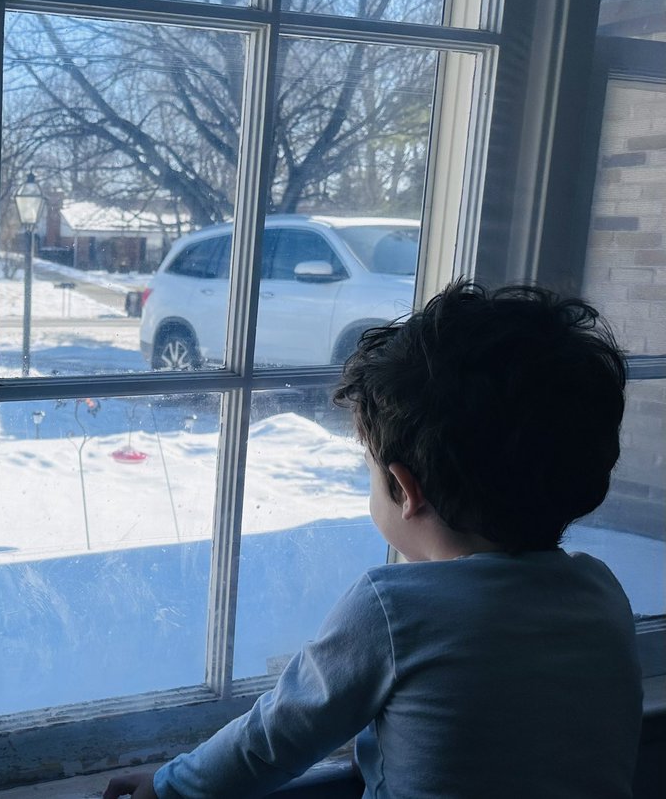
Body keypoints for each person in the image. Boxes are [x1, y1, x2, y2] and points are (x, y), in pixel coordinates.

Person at [106, 281, 642, 799]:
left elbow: (275, 737)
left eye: (369, 468)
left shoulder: (395, 609)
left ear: (405, 490)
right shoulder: (602, 596)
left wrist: (170, 784)